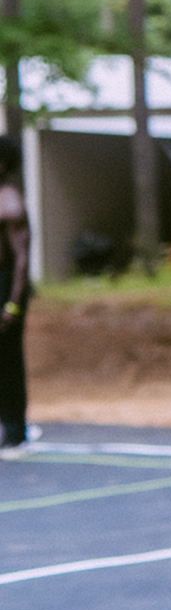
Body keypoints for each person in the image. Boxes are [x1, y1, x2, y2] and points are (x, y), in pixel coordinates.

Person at [0, 135, 35, 455]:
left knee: (9, 360)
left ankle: (15, 431)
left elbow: (22, 259)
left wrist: (12, 303)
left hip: (8, 286)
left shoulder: (9, 201)